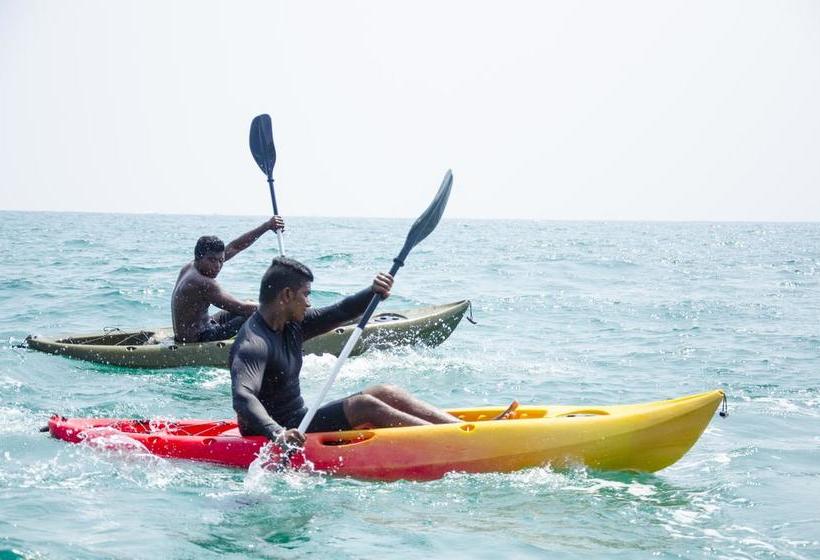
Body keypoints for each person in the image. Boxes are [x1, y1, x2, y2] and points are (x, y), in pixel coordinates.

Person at [230, 256, 475, 448]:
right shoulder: (253, 342)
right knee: (363, 405)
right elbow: (243, 396)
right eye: (305, 294)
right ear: (286, 295)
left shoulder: (292, 324)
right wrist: (277, 433)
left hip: (298, 419)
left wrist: (373, 291)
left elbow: (341, 311)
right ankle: (456, 444)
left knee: (385, 392)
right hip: (273, 431)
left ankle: (463, 431)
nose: (308, 302)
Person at [171, 216, 285, 343]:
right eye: (212, 260)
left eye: (221, 261)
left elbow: (236, 246)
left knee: (251, 302)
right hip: (197, 337)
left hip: (204, 324)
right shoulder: (202, 282)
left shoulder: (191, 266)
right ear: (199, 257)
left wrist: (267, 226)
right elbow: (242, 308)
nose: (217, 266)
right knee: (255, 313)